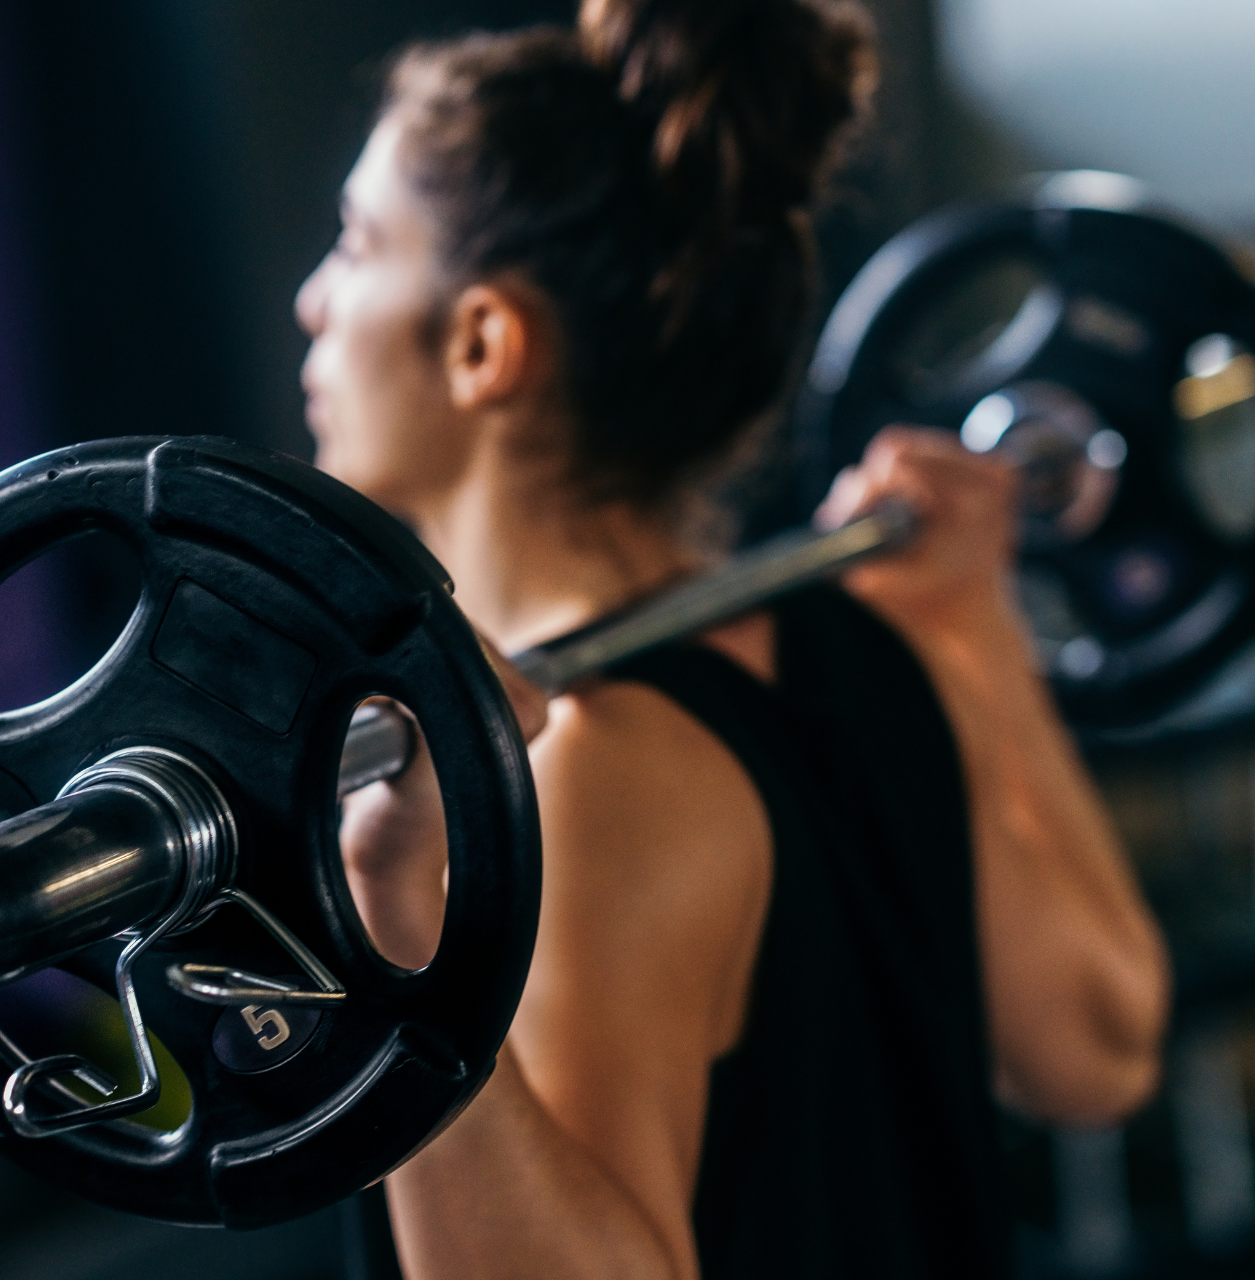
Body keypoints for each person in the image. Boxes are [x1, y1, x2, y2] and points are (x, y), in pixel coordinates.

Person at [296, 1, 1172, 1276]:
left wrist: (394, 928)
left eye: (359, 244)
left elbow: (1101, 1053)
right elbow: (1102, 1043)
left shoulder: (587, 780)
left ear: (484, 343)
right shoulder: (859, 646)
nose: (317, 300)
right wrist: (974, 633)